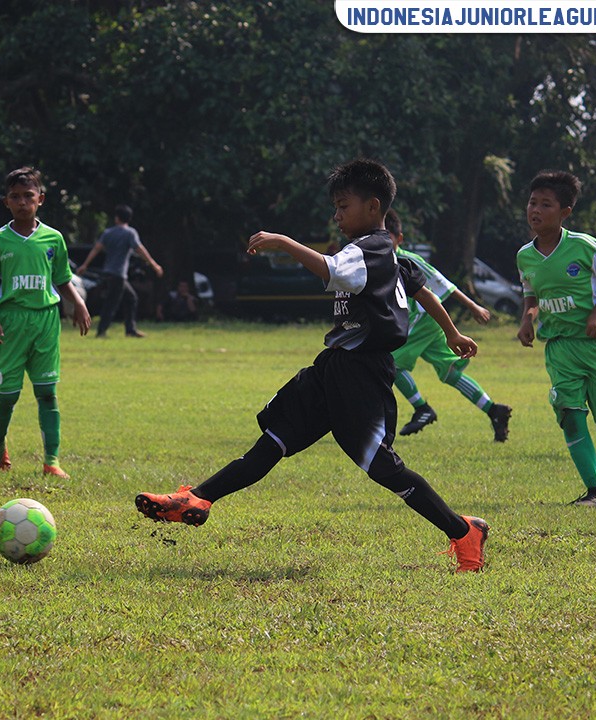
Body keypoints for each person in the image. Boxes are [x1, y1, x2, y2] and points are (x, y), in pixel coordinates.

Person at [136, 159, 490, 573]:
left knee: (382, 467)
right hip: (333, 367)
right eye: (335, 207)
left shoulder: (368, 249)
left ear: (373, 206)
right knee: (275, 439)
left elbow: (329, 269)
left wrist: (284, 242)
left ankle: (464, 531)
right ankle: (196, 499)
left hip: (363, 373)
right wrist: (451, 332)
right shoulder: (390, 255)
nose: (336, 215)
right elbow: (420, 289)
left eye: (343, 206)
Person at [516, 170, 596, 508]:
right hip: (560, 346)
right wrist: (528, 319)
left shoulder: (585, 246)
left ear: (565, 212)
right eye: (532, 203)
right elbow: (531, 294)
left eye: (546, 204)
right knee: (569, 414)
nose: (536, 210)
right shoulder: (524, 255)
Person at [0, 167, 90, 479]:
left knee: (47, 393)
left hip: (45, 321)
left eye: (29, 196)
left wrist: (78, 303)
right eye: (15, 197)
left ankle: (51, 461)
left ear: (40, 199)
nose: (22, 202)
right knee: (8, 395)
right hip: (11, 323)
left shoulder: (53, 238)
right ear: (6, 202)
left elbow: (62, 278)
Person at [385, 209, 512, 441]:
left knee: (389, 363)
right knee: (450, 373)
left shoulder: (408, 261)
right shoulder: (380, 262)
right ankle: (494, 410)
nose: (382, 243)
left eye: (387, 237)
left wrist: (473, 306)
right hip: (429, 324)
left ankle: (422, 408)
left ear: (399, 239)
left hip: (424, 321)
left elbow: (444, 284)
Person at [77, 204, 163, 338]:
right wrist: (154, 264)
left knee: (131, 298)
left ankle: (130, 329)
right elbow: (140, 249)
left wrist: (85, 265)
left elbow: (96, 248)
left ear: (117, 218)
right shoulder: (130, 233)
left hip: (109, 272)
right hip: (118, 274)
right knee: (112, 303)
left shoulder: (108, 233)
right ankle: (102, 331)